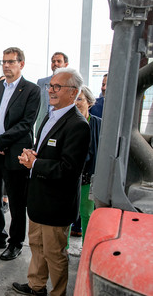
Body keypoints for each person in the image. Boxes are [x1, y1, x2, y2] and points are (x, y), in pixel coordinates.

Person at [13, 67, 90, 296]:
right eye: (51, 86)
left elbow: (69, 170)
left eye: (58, 87)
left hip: (56, 203)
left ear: (73, 92)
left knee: (54, 254)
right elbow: (46, 150)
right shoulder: (51, 114)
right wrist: (33, 155)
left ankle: (58, 292)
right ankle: (37, 286)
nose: (51, 91)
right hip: (39, 198)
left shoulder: (78, 125)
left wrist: (35, 164)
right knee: (37, 246)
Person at [0, 47, 41, 261]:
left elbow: (26, 124)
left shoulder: (32, 90)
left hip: (15, 153)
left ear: (21, 64)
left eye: (11, 62)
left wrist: (0, 141)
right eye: (4, 61)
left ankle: (15, 243)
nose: (6, 65)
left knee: (16, 201)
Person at [75, 86, 101, 243]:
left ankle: (87, 250)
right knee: (66, 215)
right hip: (68, 175)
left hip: (87, 177)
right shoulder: (68, 122)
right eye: (74, 99)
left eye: (80, 99)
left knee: (87, 214)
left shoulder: (98, 124)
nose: (76, 103)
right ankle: (62, 250)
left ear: (89, 102)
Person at [35, 52, 69, 133]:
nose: (55, 64)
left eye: (59, 61)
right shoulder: (41, 82)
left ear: (66, 64)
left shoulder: (70, 83)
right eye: (53, 61)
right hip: (43, 124)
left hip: (61, 125)